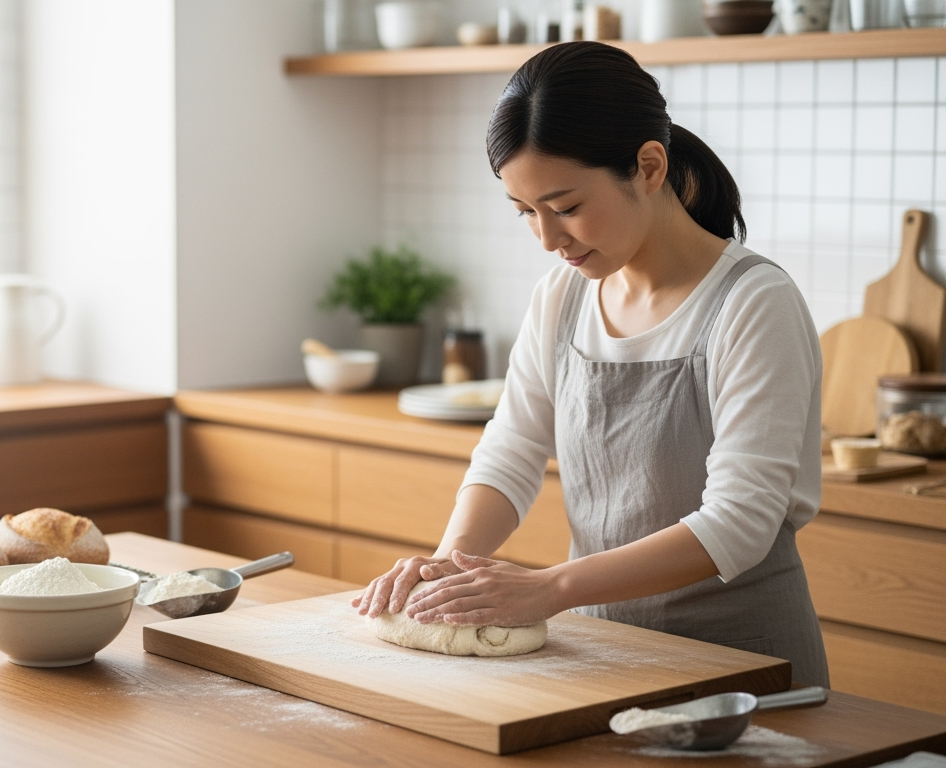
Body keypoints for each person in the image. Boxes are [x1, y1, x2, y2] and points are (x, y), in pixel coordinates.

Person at [353, 41, 829, 686]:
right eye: (525, 213)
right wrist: (449, 569)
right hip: (600, 656)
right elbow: (511, 452)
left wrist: (551, 587)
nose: (548, 239)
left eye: (567, 207)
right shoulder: (563, 297)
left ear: (649, 166)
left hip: (742, 667)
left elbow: (739, 524)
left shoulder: (753, 304)